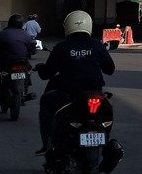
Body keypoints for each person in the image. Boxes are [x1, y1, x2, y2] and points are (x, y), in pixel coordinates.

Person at [34, 10, 115, 155]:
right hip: (95, 93)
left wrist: (41, 69)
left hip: (68, 95)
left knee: (46, 101)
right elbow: (110, 69)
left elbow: (47, 74)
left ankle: (47, 143)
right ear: (88, 25)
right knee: (105, 112)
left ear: (68, 26)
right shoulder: (97, 45)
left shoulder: (61, 47)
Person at [0, 14, 36, 88]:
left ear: (9, 23)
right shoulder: (25, 34)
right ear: (21, 24)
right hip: (22, 61)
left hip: (6, 62)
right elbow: (32, 49)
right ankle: (27, 83)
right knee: (28, 69)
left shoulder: (3, 34)